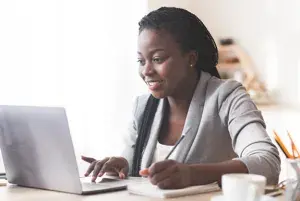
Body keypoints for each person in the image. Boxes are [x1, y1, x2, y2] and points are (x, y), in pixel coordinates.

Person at [82, 7, 280, 189]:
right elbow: (135, 172)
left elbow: (267, 163)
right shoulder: (143, 106)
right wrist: (122, 166)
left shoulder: (227, 96)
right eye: (141, 61)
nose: (147, 70)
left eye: (158, 59)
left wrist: (192, 174)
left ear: (191, 59)